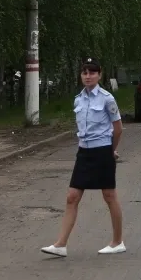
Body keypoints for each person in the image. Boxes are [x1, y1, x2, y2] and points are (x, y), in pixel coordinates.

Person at [41, 57, 126, 258]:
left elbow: (118, 128)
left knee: (109, 196)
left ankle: (117, 242)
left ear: (99, 75)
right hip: (84, 152)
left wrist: (111, 150)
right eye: (84, 72)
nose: (88, 76)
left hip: (102, 151)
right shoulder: (78, 99)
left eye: (92, 72)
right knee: (72, 197)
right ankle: (60, 245)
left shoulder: (107, 99)